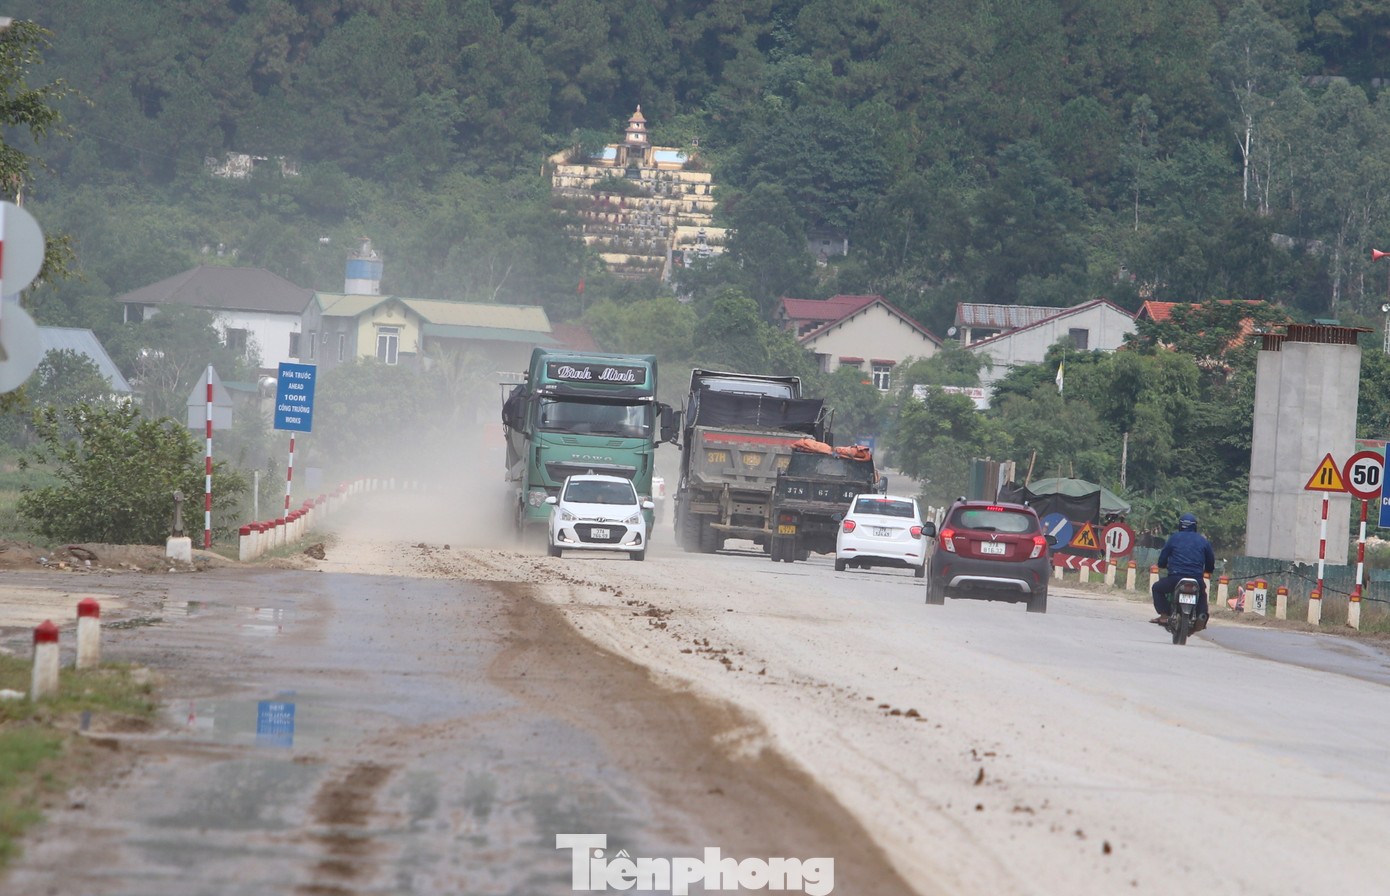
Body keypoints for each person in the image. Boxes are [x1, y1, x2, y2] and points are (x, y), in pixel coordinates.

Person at [1150, 512, 1216, 629]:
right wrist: (1209, 570)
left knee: (1157, 588)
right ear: (1195, 526)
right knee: (1201, 594)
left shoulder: (1174, 538)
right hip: (1196, 578)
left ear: (1180, 526)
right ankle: (1202, 616)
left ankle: (1164, 615)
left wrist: (1162, 565)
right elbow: (1210, 559)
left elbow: (1163, 557)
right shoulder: (1203, 541)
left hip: (1175, 577)